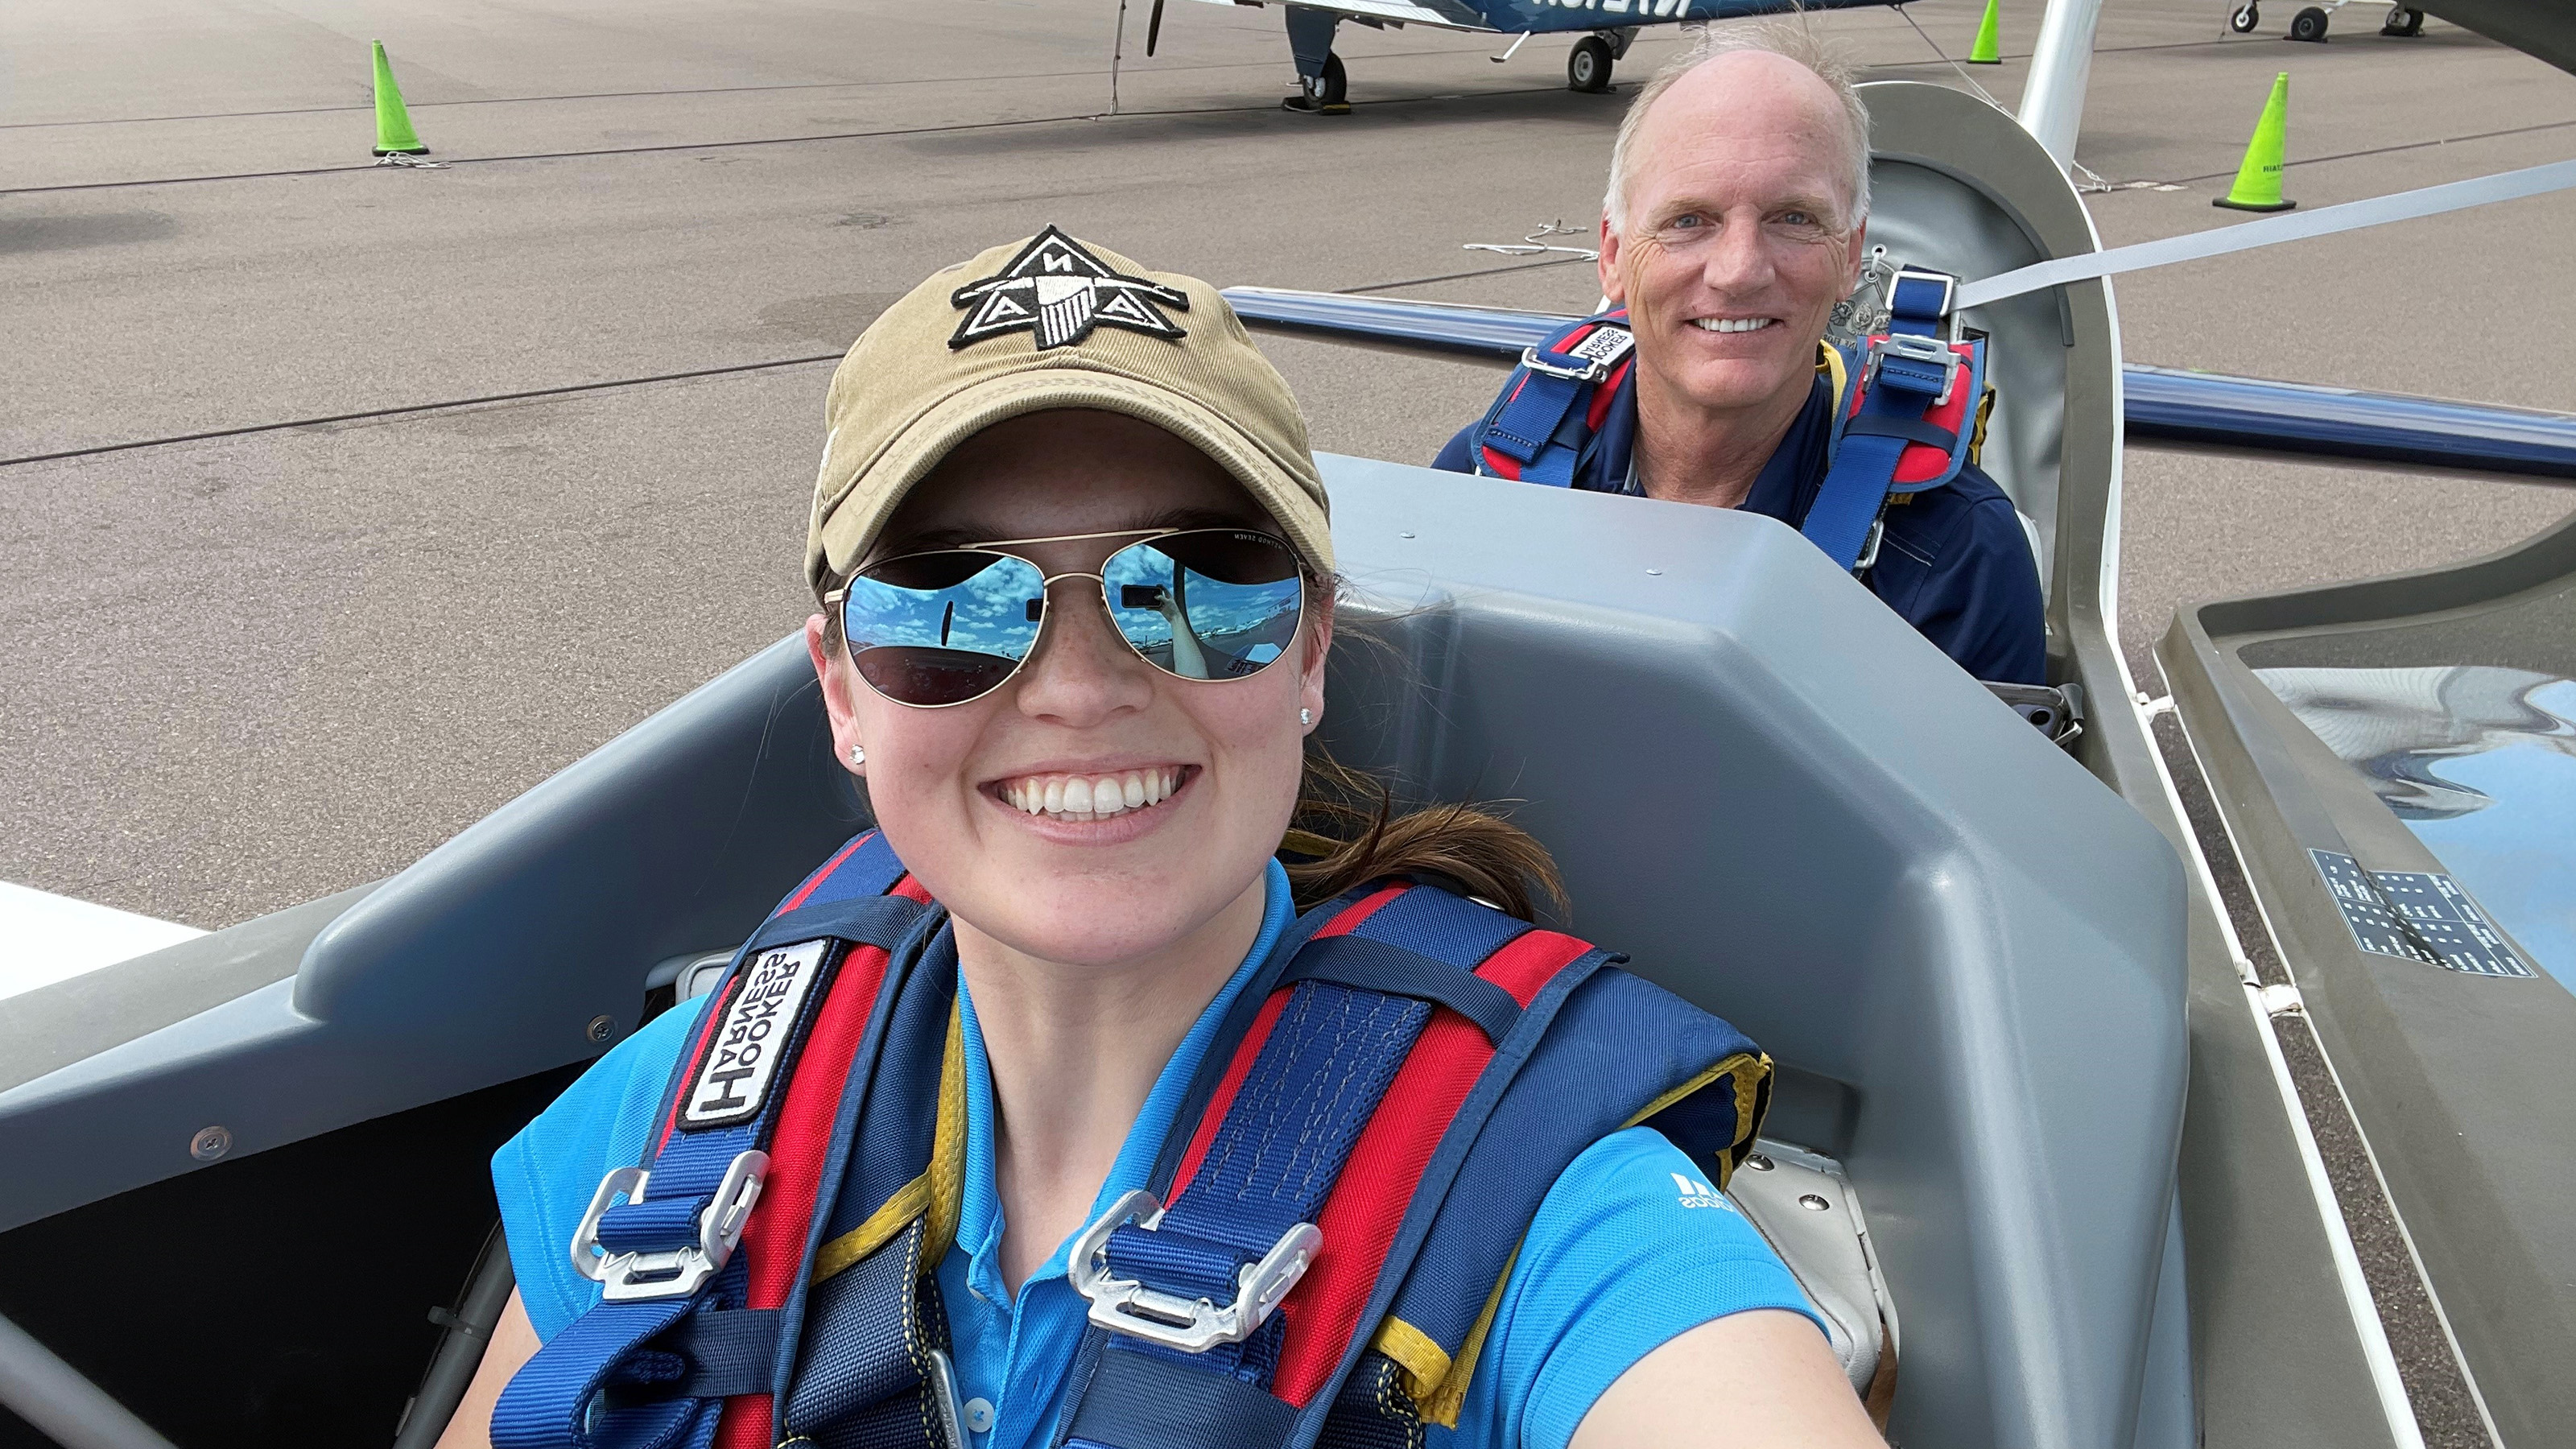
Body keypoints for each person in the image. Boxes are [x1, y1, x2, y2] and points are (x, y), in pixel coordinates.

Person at [436, 230, 1885, 1449]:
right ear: (843, 691)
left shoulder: (1537, 1205)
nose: (1079, 690)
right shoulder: (677, 1121)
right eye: (953, 600)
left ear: (1309, 650)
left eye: (1196, 584)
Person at [1433, 24, 2047, 686]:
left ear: (1849, 256)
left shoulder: (1958, 556)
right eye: (1688, 219)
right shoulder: (1483, 480)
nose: (1739, 271)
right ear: (1612, 255)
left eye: (1794, 218)